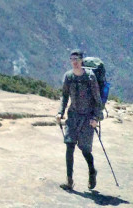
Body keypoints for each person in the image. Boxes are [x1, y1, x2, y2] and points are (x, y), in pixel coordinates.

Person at [56, 49, 103, 191]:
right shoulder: (68, 77)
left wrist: (96, 118)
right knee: (69, 145)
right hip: (73, 116)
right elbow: (64, 96)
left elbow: (97, 99)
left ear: (82, 60)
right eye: (72, 59)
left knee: (85, 150)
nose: (74, 62)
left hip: (87, 118)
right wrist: (60, 112)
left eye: (77, 59)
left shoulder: (90, 77)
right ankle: (69, 181)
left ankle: (92, 172)